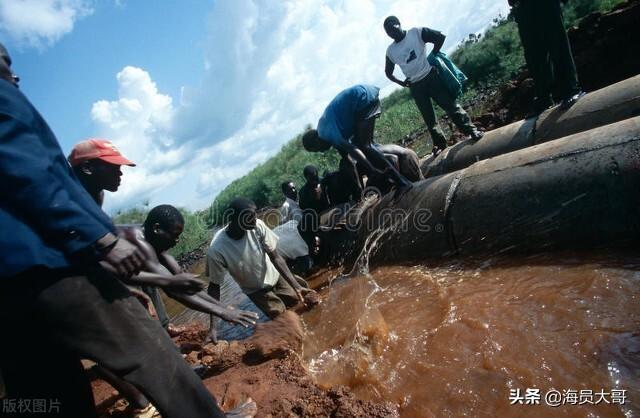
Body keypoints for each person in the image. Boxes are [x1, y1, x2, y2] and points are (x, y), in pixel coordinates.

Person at [0, 43, 249, 418]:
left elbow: (177, 277)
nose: (14, 76)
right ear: (86, 169)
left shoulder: (103, 208)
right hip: (45, 264)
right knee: (152, 352)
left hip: (11, 287)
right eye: (5, 65)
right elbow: (28, 171)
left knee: (43, 394)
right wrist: (100, 239)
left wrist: (198, 298)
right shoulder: (108, 229)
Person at [206, 198, 318, 336]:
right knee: (282, 317)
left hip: (276, 276)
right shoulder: (217, 249)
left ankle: (313, 330)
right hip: (256, 290)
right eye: (249, 217)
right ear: (234, 219)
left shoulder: (257, 225)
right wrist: (214, 327)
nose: (255, 220)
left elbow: (276, 257)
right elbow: (214, 287)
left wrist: (296, 285)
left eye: (255, 215)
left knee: (300, 301)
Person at [383, 16, 483, 155]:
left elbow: (439, 37)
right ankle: (441, 144)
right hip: (415, 87)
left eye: (393, 28)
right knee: (429, 119)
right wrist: (402, 82)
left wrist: (434, 54)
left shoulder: (416, 32)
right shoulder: (391, 51)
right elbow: (388, 72)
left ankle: (471, 130)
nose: (392, 33)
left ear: (399, 24)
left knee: (451, 106)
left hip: (431, 77)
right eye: (388, 32)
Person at [302, 84, 413, 194]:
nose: (321, 151)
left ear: (315, 140)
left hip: (362, 98)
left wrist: (372, 170)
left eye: (316, 149)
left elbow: (352, 149)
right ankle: (391, 166)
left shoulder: (326, 133)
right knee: (363, 145)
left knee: (366, 145)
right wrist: (359, 187)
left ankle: (402, 182)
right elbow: (348, 160)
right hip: (360, 100)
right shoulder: (328, 132)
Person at [508, 0, 585, 115]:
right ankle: (544, 98)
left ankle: (570, 89)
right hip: (522, 7)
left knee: (557, 43)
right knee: (533, 55)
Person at [68, 138, 135, 207]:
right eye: (113, 167)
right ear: (87, 167)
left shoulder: (97, 193)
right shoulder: (66, 200)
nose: (120, 173)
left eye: (118, 167)